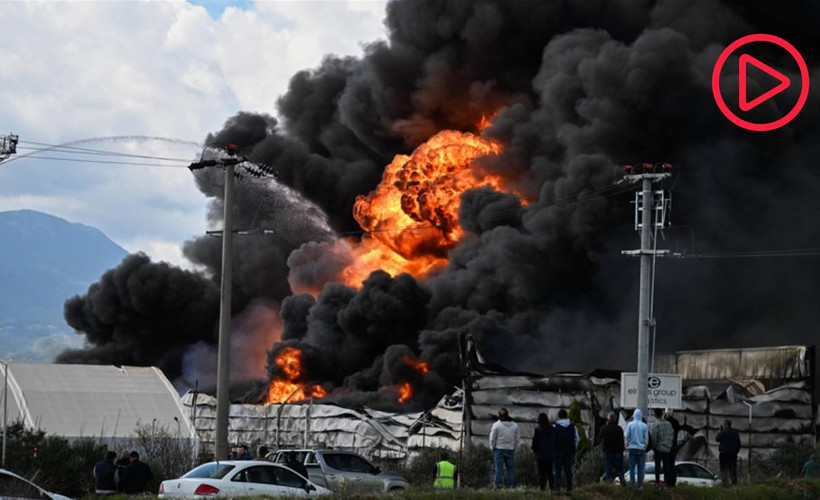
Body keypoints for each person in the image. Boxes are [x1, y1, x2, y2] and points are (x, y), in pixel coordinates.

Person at [489, 407, 520, 488]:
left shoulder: (496, 425)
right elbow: (517, 439)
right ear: (508, 414)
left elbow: (492, 438)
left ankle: (497, 486)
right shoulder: (515, 425)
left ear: (499, 415)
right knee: (511, 470)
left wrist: (492, 447)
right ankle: (512, 486)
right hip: (510, 449)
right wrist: (514, 446)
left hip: (498, 449)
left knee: (498, 469)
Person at [553, 409, 579, 495]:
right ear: (567, 416)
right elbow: (577, 439)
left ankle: (557, 488)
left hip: (558, 451)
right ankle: (569, 489)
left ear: (559, 416)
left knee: (558, 470)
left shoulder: (555, 427)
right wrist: (574, 449)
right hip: (569, 451)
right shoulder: (573, 426)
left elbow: (553, 440)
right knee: (568, 470)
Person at [530, 412, 555, 491]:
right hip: (550, 454)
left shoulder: (538, 429)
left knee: (542, 473)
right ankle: (552, 488)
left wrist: (534, 450)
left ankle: (542, 488)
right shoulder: (552, 429)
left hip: (540, 454)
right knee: (550, 472)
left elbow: (535, 442)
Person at [649, 408, 674, 487]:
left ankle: (657, 482)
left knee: (658, 466)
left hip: (658, 448)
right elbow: (672, 435)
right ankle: (667, 482)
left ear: (655, 415)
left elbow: (654, 438)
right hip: (667, 448)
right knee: (667, 466)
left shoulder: (655, 425)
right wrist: (669, 445)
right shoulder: (669, 424)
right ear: (662, 413)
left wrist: (653, 447)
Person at [599, 412, 625, 485]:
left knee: (608, 469)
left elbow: (600, 436)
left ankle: (609, 484)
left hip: (607, 451)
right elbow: (622, 440)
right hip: (618, 452)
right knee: (619, 469)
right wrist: (622, 449)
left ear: (608, 419)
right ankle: (622, 482)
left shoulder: (603, 428)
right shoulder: (619, 429)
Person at [625, 409, 649, 489]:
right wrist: (644, 447)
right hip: (641, 449)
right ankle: (640, 486)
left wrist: (626, 446)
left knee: (631, 468)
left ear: (634, 416)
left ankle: (632, 484)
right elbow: (646, 439)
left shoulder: (630, 425)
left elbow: (626, 436)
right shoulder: (644, 426)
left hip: (631, 448)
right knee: (640, 468)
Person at [716, 419, 741, 486]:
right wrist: (736, 451)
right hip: (733, 453)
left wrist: (719, 431)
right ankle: (733, 482)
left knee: (723, 468)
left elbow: (717, 439)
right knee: (732, 468)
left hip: (724, 453)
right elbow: (739, 444)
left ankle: (725, 483)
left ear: (725, 424)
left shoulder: (723, 432)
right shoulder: (735, 432)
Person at [664, 409, 681, 487]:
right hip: (674, 445)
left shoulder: (665, 422)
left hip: (666, 445)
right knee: (672, 464)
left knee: (666, 464)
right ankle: (673, 482)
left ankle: (667, 482)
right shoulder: (676, 422)